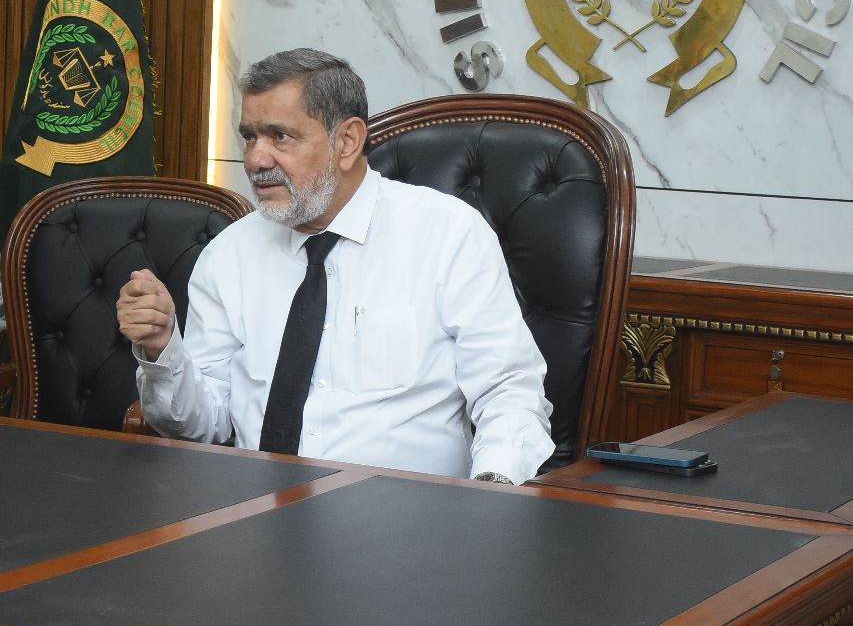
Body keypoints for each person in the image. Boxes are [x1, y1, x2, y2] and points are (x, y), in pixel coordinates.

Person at [117, 49, 554, 484]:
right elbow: (202, 427)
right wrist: (162, 349)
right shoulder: (228, 254)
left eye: (279, 136)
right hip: (255, 511)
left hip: (408, 515)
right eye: (250, 137)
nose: (255, 160)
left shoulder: (448, 234)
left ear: (346, 142)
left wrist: (492, 490)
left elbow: (508, 391)